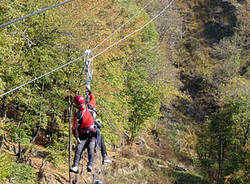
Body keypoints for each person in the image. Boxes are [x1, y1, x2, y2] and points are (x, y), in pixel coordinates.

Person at [70, 90, 96, 173]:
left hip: (83, 136)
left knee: (78, 151)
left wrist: (77, 137)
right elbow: (93, 100)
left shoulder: (78, 114)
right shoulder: (90, 106)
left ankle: (75, 166)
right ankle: (90, 165)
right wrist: (90, 93)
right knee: (90, 150)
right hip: (91, 135)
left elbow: (74, 128)